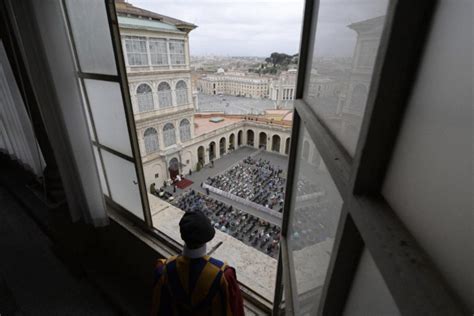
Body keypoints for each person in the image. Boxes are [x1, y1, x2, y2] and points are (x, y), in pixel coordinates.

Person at [151, 211, 244, 315]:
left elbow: (159, 308)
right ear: (207, 238)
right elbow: (236, 310)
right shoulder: (224, 275)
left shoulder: (163, 269)